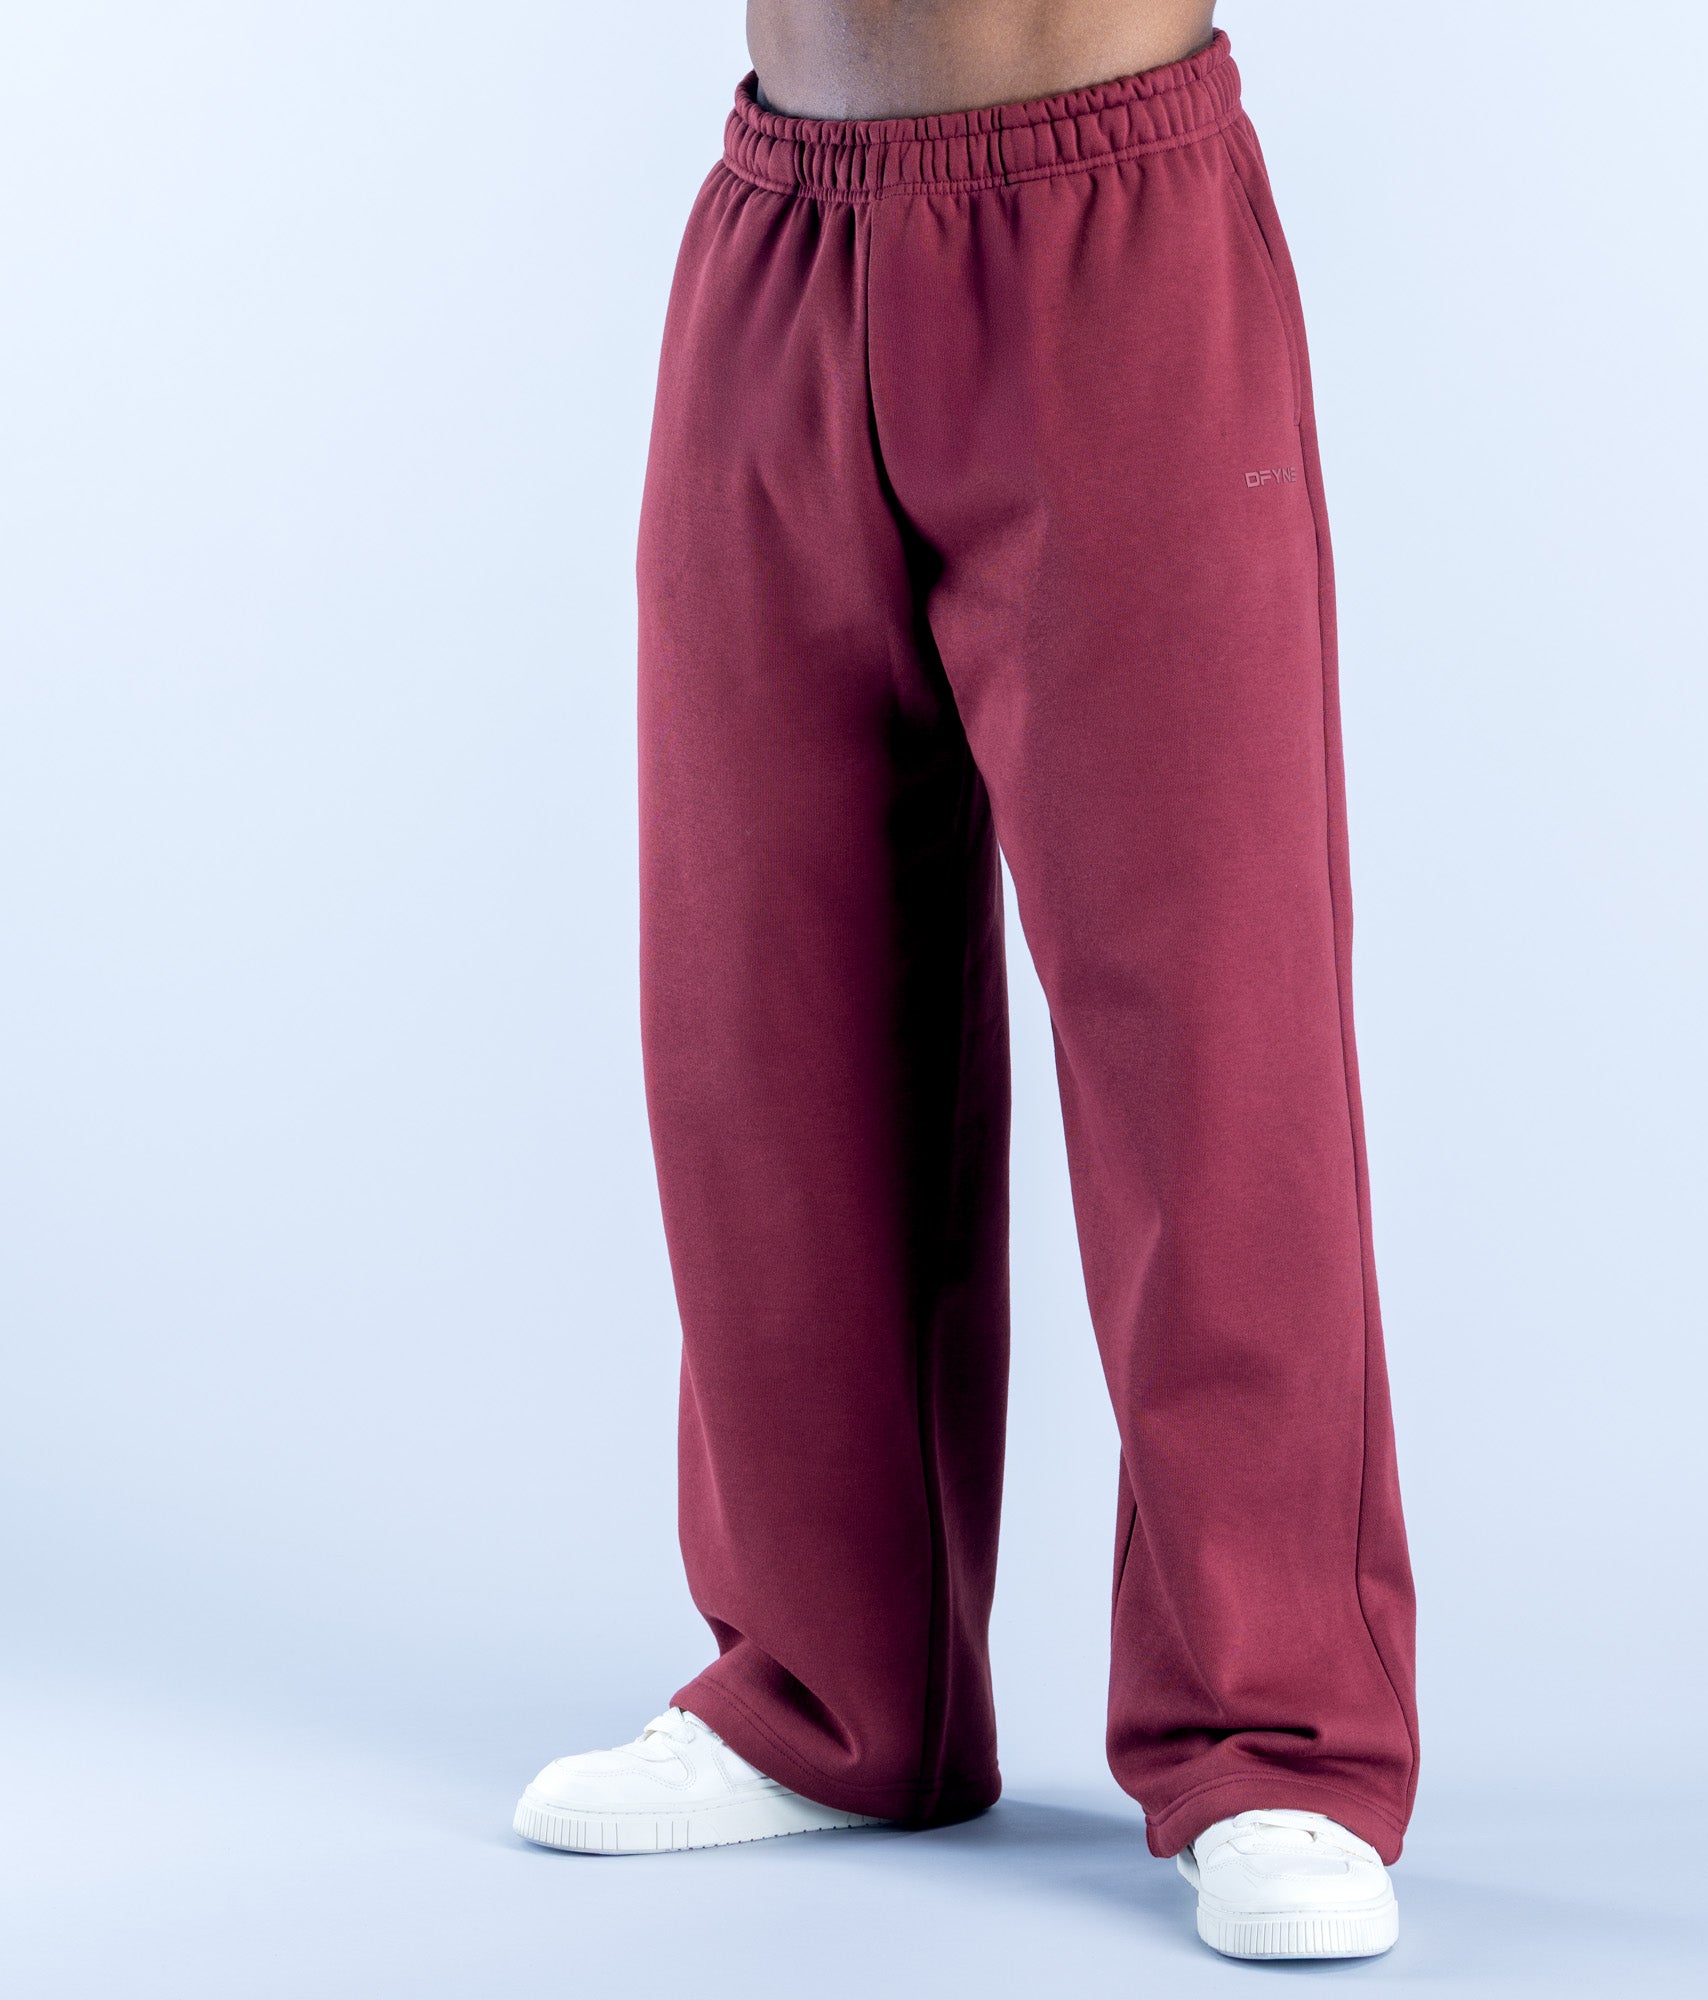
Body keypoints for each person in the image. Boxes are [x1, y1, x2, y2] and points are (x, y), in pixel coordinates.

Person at [513, 0, 1418, 1962]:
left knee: (1206, 1034)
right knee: (765, 1020)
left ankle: (1274, 1731)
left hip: (1107, 220)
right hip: (778, 230)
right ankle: (833, 1692)